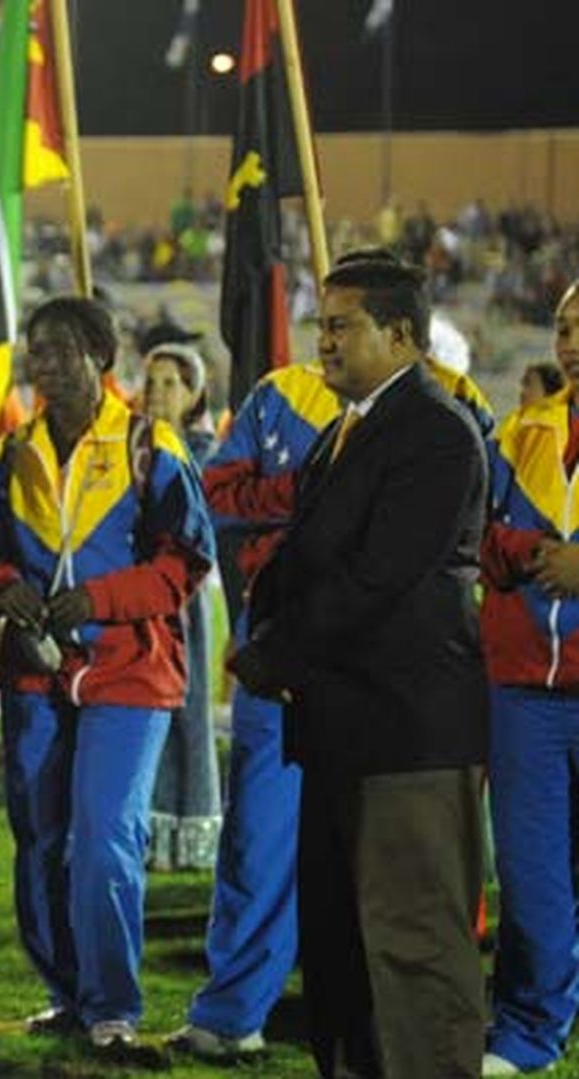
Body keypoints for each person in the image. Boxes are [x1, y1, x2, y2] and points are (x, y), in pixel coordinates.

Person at [171, 246, 494, 1061]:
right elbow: (303, 552)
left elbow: (377, 576)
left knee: (411, 945)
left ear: (401, 333)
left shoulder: (436, 431)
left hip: (407, 736)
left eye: (342, 325)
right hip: (341, 730)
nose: (323, 341)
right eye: (322, 322)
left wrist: (273, 654)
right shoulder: (348, 429)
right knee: (343, 946)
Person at [0, 296, 213, 1054]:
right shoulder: (14, 451)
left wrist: (100, 599)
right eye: (32, 350)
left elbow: (186, 562)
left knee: (107, 834)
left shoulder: (150, 444)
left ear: (100, 358)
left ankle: (114, 1004)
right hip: (37, 674)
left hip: (129, 671)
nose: (39, 364)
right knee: (41, 837)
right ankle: (65, 992)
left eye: (56, 350)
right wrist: (2, 581)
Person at [479, 281, 579, 1076]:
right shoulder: (518, 432)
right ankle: (527, 1030)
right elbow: (473, 533)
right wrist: (528, 555)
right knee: (529, 871)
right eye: (563, 327)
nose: (570, 341)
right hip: (523, 690)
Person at [140, 342, 222, 872]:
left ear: (194, 393)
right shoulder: (136, 446)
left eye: (172, 383)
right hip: (142, 597)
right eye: (152, 383)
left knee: (186, 712)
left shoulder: (203, 453)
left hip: (184, 600)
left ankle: (188, 824)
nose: (159, 394)